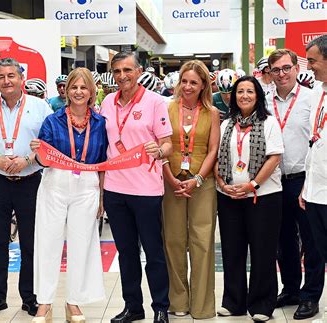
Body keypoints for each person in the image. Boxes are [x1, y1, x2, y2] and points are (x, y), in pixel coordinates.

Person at [0, 57, 53, 317]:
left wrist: (28, 160)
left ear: (21, 78)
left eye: (11, 76)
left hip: (31, 182)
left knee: (31, 242)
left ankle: (30, 297)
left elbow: (51, 145)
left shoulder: (41, 108)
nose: (6, 81)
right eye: (1, 77)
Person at [30, 67, 108, 323]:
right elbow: (41, 159)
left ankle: (73, 302)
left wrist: (102, 197)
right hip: (55, 183)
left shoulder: (100, 124)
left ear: (91, 92)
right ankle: (44, 303)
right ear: (66, 91)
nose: (78, 92)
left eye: (83, 87)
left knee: (81, 244)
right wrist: (38, 152)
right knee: (48, 242)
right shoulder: (53, 121)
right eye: (74, 87)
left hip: (86, 186)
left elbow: (103, 163)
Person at [100, 51, 173, 323]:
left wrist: (160, 151)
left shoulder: (155, 102)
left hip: (147, 191)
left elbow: (167, 143)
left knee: (153, 253)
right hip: (115, 190)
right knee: (127, 253)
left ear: (139, 71)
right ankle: (133, 306)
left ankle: (161, 308)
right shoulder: (107, 102)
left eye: (127, 70)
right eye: (117, 71)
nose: (122, 76)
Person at [215, 75, 284, 322]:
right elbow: (216, 157)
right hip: (229, 196)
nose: (244, 95)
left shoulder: (269, 123)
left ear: (258, 95)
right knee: (232, 250)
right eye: (240, 91)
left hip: (263, 196)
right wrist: (223, 183)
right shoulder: (226, 125)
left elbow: (274, 158)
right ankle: (233, 302)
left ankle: (262, 304)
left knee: (262, 250)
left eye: (250, 91)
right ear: (233, 96)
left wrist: (252, 185)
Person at [266, 48, 324, 321]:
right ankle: (290, 289)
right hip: (274, 181)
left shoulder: (312, 98)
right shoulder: (264, 100)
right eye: (276, 69)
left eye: (286, 68)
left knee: (311, 241)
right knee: (283, 240)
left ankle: (310, 296)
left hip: (303, 180)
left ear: (296, 68)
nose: (282, 74)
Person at [162, 60, 220, 319]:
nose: (187, 86)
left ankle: (202, 305)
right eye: (184, 81)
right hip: (170, 182)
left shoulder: (212, 113)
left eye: (194, 82)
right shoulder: (166, 108)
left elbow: (213, 150)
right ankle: (178, 302)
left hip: (202, 183)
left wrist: (197, 179)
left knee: (202, 242)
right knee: (173, 241)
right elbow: (160, 146)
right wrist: (171, 178)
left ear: (203, 85)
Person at [299, 34, 327, 262]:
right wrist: (306, 188)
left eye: (312, 61)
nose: (308, 67)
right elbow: (313, 141)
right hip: (315, 193)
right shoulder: (317, 91)